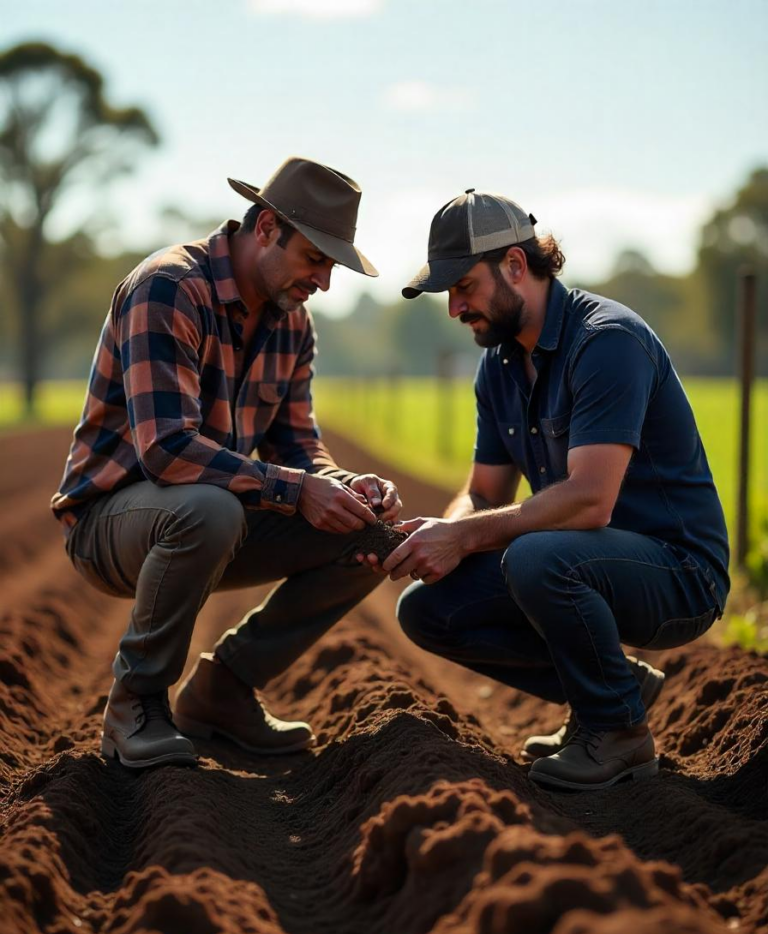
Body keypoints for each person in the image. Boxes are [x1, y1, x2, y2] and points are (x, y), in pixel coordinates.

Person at [368, 188, 729, 791]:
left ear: (515, 265)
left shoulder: (607, 341)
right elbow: (482, 492)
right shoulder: (500, 365)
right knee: (430, 609)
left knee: (536, 557)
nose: (455, 307)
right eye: (448, 293)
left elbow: (590, 499)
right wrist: (439, 536)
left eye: (464, 286)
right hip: (586, 563)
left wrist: (466, 536)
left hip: (678, 571)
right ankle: (613, 691)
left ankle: (618, 733)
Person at [51, 157, 401, 770]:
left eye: (331, 265)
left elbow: (296, 447)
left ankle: (223, 691)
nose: (323, 281)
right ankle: (136, 705)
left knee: (369, 533)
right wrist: (294, 491)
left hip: (215, 512)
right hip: (112, 518)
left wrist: (346, 486)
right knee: (206, 510)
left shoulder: (293, 322)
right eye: (315, 259)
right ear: (266, 227)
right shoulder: (169, 288)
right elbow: (165, 450)